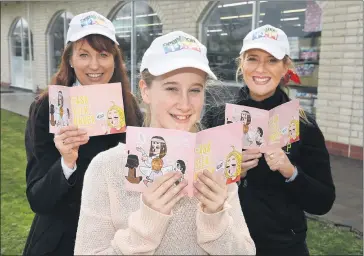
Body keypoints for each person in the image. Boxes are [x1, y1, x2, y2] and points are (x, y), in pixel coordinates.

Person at [74, 31, 256, 255]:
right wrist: (147, 223)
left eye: (195, 90)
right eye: (171, 88)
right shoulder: (106, 168)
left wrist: (215, 216)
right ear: (145, 90)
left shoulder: (216, 164)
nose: (185, 104)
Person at [202, 24, 335, 256]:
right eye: (252, 59)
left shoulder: (304, 124)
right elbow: (195, 183)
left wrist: (290, 171)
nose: (261, 69)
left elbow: (323, 202)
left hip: (283, 246)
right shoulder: (218, 116)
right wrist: (230, 172)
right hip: (224, 240)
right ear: (241, 64)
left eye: (272, 60)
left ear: (285, 67)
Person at [23, 11, 143, 256]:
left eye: (103, 54)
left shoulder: (129, 108)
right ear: (70, 59)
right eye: (84, 55)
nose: (95, 65)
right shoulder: (47, 108)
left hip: (114, 240)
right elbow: (39, 199)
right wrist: (66, 163)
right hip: (61, 240)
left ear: (115, 59)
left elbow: (136, 182)